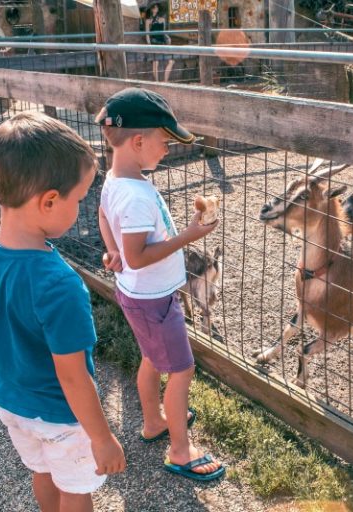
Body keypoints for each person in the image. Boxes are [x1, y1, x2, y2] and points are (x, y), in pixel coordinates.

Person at [0, 112, 126, 512]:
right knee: (75, 489)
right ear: (49, 201)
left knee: (43, 473)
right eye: (80, 198)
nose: (82, 208)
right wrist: (103, 438)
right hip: (58, 413)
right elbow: (73, 377)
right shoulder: (60, 283)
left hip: (10, 399)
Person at [96, 88, 225, 481]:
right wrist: (189, 235)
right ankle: (181, 451)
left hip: (139, 295)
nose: (168, 149)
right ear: (138, 141)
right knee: (182, 371)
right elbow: (138, 257)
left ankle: (154, 421)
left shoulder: (116, 179)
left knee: (152, 358)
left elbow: (104, 217)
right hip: (154, 300)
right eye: (164, 141)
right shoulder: (135, 194)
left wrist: (111, 250)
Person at [145, 3, 175, 82]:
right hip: (154, 42)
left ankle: (165, 81)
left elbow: (164, 32)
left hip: (163, 42)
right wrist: (149, 45)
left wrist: (168, 38)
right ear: (151, 9)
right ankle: (157, 82)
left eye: (156, 7)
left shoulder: (162, 19)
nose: (155, 9)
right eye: (154, 8)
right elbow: (147, 34)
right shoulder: (148, 21)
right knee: (156, 63)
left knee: (171, 61)